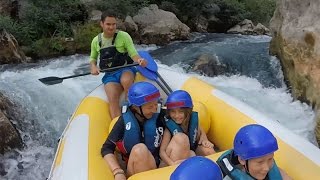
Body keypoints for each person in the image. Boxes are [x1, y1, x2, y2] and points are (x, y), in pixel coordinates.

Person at [90, 10, 147, 119]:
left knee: (125, 80)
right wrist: (93, 67)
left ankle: (131, 110)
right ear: (101, 24)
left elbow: (133, 53)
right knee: (112, 97)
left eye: (114, 24)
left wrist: (139, 60)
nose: (111, 27)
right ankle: (117, 124)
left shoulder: (124, 36)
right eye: (108, 24)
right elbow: (92, 58)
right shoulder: (96, 41)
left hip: (126, 69)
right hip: (110, 75)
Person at [101, 82, 165, 179]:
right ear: (135, 107)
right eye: (150, 107)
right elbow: (106, 148)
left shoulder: (160, 114)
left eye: (156, 105)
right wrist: (117, 172)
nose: (154, 110)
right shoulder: (123, 121)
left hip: (158, 164)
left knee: (182, 140)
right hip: (136, 166)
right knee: (140, 150)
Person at [160, 90, 215, 166]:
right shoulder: (169, 128)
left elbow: (200, 130)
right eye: (173, 112)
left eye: (180, 112)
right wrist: (171, 163)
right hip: (169, 162)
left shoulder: (192, 120)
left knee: (208, 151)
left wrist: (204, 139)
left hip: (187, 155)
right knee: (182, 139)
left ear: (188, 111)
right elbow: (162, 152)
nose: (176, 116)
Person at [217, 124, 292, 180]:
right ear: (242, 160)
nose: (266, 168)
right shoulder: (228, 178)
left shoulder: (273, 171)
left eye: (270, 159)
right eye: (260, 162)